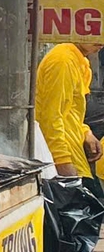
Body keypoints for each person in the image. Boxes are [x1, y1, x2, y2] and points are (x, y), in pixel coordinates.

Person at [36, 40, 101, 177]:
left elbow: (70, 111)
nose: (99, 41)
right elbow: (50, 116)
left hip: (75, 155)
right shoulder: (63, 60)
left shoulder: (80, 61)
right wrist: (62, 161)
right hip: (63, 159)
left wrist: (86, 133)